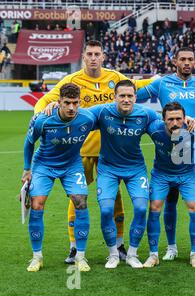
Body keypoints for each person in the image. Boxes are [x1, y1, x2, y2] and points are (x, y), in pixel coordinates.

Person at [34, 40, 155, 265]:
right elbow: (46, 101)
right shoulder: (72, 81)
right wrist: (41, 111)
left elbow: (137, 85)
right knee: (76, 197)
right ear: (83, 57)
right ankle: (74, 247)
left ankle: (118, 245)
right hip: (82, 151)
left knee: (115, 197)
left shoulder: (114, 78)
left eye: (97, 54)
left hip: (110, 153)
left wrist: (159, 80)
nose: (93, 58)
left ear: (103, 56)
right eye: (89, 54)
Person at [136, 47, 195, 262]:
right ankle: (172, 247)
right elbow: (134, 96)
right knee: (170, 200)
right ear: (175, 61)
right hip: (168, 143)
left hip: (194, 150)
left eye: (190, 59)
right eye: (182, 59)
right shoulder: (161, 83)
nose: (186, 62)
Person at [22, 83, 96, 272]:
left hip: (72, 165)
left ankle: (80, 256)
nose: (71, 107)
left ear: (80, 102)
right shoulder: (43, 119)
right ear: (58, 102)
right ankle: (36, 257)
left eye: (75, 103)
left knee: (80, 201)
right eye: (67, 103)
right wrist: (26, 169)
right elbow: (29, 143)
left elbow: (110, 113)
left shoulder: (87, 117)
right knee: (37, 203)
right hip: (44, 165)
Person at [88, 80, 160, 269]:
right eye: (122, 96)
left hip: (135, 169)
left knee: (141, 209)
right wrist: (53, 106)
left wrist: (188, 120)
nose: (126, 99)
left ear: (136, 97)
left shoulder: (146, 114)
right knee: (105, 210)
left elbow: (169, 122)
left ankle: (132, 254)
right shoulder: (102, 112)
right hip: (108, 169)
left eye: (130, 96)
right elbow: (76, 115)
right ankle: (113, 254)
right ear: (115, 97)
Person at [145, 102, 195, 269]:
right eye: (170, 119)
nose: (175, 123)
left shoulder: (193, 128)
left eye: (179, 119)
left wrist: (194, 120)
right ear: (163, 120)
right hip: (161, 174)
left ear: (185, 119)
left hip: (187, 174)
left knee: (194, 207)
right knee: (155, 208)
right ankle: (154, 254)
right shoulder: (154, 128)